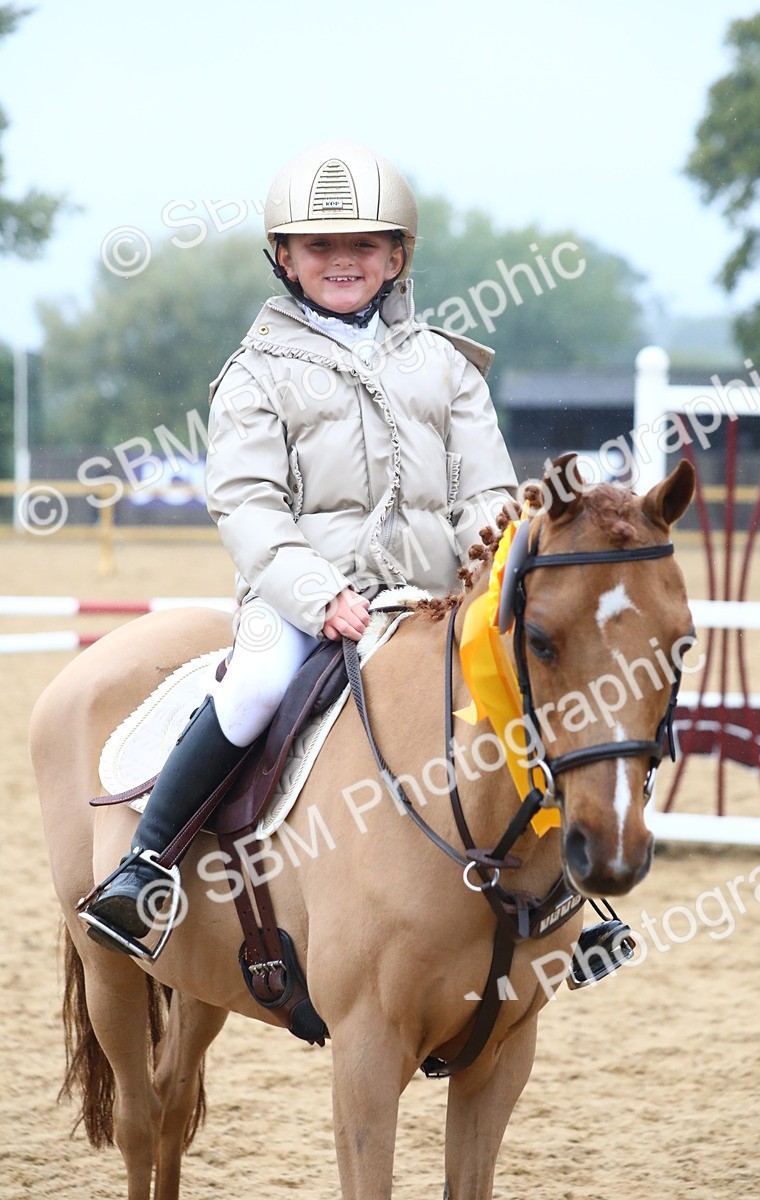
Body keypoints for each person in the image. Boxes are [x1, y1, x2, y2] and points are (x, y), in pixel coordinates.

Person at [84, 141, 518, 951]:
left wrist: (485, 561)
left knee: (521, 676)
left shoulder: (448, 368)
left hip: (431, 601)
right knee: (253, 686)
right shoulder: (255, 373)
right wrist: (320, 597)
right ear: (284, 257)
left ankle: (566, 893)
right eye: (321, 246)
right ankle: (146, 868)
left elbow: (484, 489)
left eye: (363, 245)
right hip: (303, 605)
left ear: (397, 255)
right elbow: (249, 506)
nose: (343, 262)